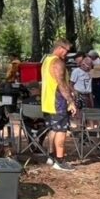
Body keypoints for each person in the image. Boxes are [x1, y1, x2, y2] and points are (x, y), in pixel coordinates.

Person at [40, 39, 77, 171]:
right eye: (66, 51)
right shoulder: (57, 62)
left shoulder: (47, 60)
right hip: (57, 102)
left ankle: (51, 155)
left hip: (47, 102)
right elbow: (60, 84)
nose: (67, 54)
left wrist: (71, 89)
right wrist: (70, 101)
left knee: (54, 129)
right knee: (61, 130)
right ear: (60, 48)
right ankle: (60, 160)